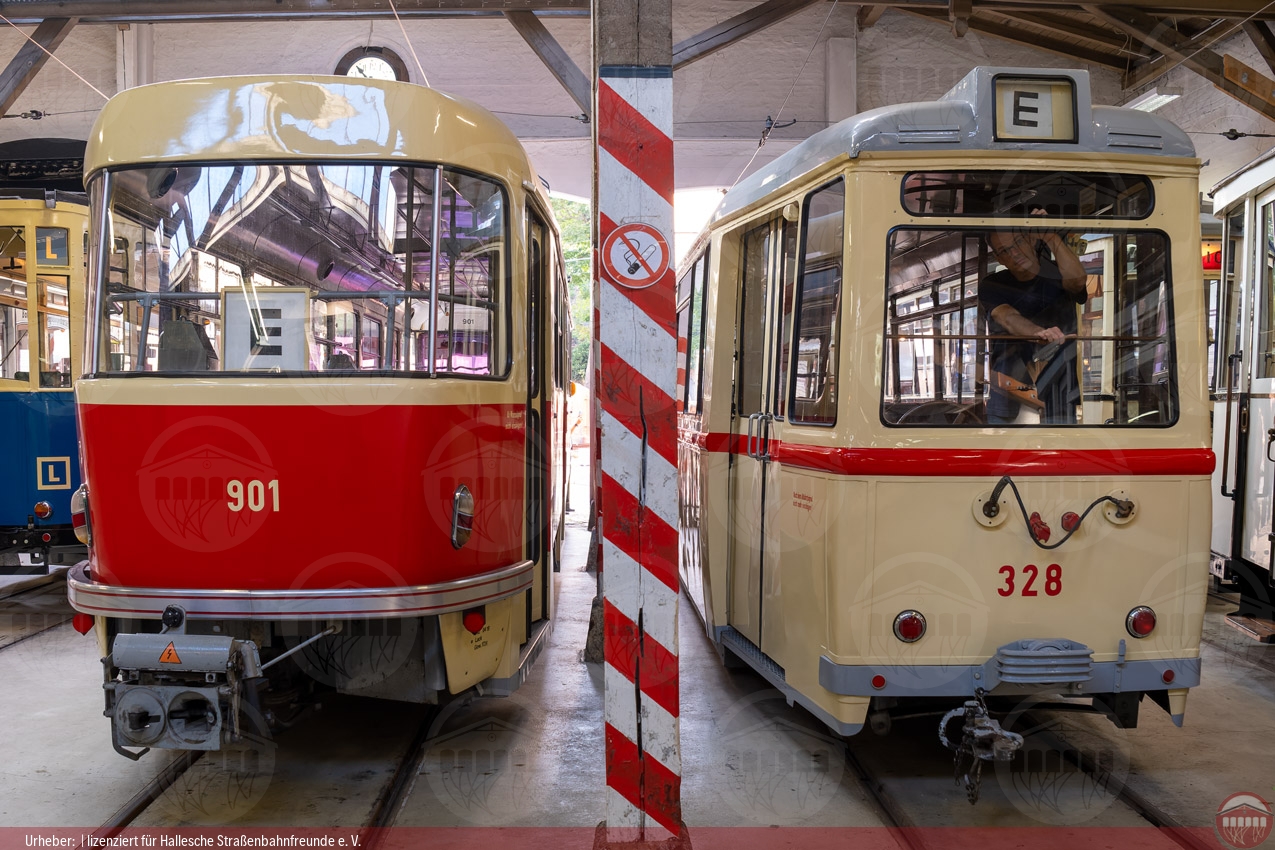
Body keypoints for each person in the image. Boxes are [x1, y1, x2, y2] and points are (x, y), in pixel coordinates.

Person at [980, 221, 1087, 424]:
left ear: (1030, 240)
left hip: (1058, 389)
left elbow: (1078, 282)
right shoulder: (992, 284)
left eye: (1018, 242)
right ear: (998, 258)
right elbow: (1006, 317)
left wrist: (1050, 236)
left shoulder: (1059, 274)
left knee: (1059, 452)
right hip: (1008, 392)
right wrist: (1040, 333)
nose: (1015, 252)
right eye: (1005, 250)